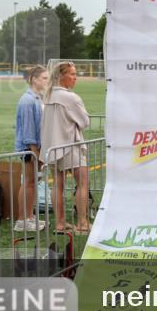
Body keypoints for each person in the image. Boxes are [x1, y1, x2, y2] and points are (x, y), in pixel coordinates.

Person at [40, 61, 90, 234]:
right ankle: (82, 223)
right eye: (72, 74)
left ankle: (60, 224)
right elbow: (85, 122)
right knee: (82, 183)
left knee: (57, 185)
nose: (76, 77)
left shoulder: (48, 95)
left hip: (52, 147)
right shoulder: (71, 97)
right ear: (61, 76)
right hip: (70, 145)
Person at [13, 65, 48, 232]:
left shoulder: (37, 98)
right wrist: (36, 153)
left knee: (33, 183)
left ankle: (29, 216)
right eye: (44, 78)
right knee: (28, 183)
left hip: (36, 148)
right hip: (29, 148)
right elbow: (28, 131)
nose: (47, 81)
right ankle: (22, 220)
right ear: (34, 79)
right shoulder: (27, 100)